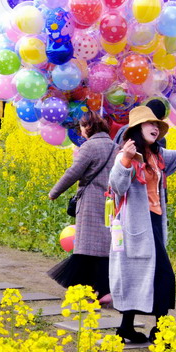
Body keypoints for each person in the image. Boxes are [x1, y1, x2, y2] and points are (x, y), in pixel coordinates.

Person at [109, 105, 176, 344]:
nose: (155, 128)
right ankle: (160, 329)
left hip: (154, 223)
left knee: (146, 275)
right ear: (137, 129)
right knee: (159, 275)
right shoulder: (125, 156)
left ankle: (127, 327)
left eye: (157, 125)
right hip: (135, 225)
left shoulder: (158, 156)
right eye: (150, 124)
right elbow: (117, 187)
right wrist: (126, 159)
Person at [47, 111, 117, 303]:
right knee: (102, 247)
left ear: (88, 127)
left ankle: (84, 288)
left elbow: (73, 173)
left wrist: (54, 192)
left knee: (85, 246)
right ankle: (101, 289)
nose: (81, 131)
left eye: (82, 126)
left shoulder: (89, 147)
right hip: (110, 202)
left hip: (91, 201)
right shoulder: (115, 147)